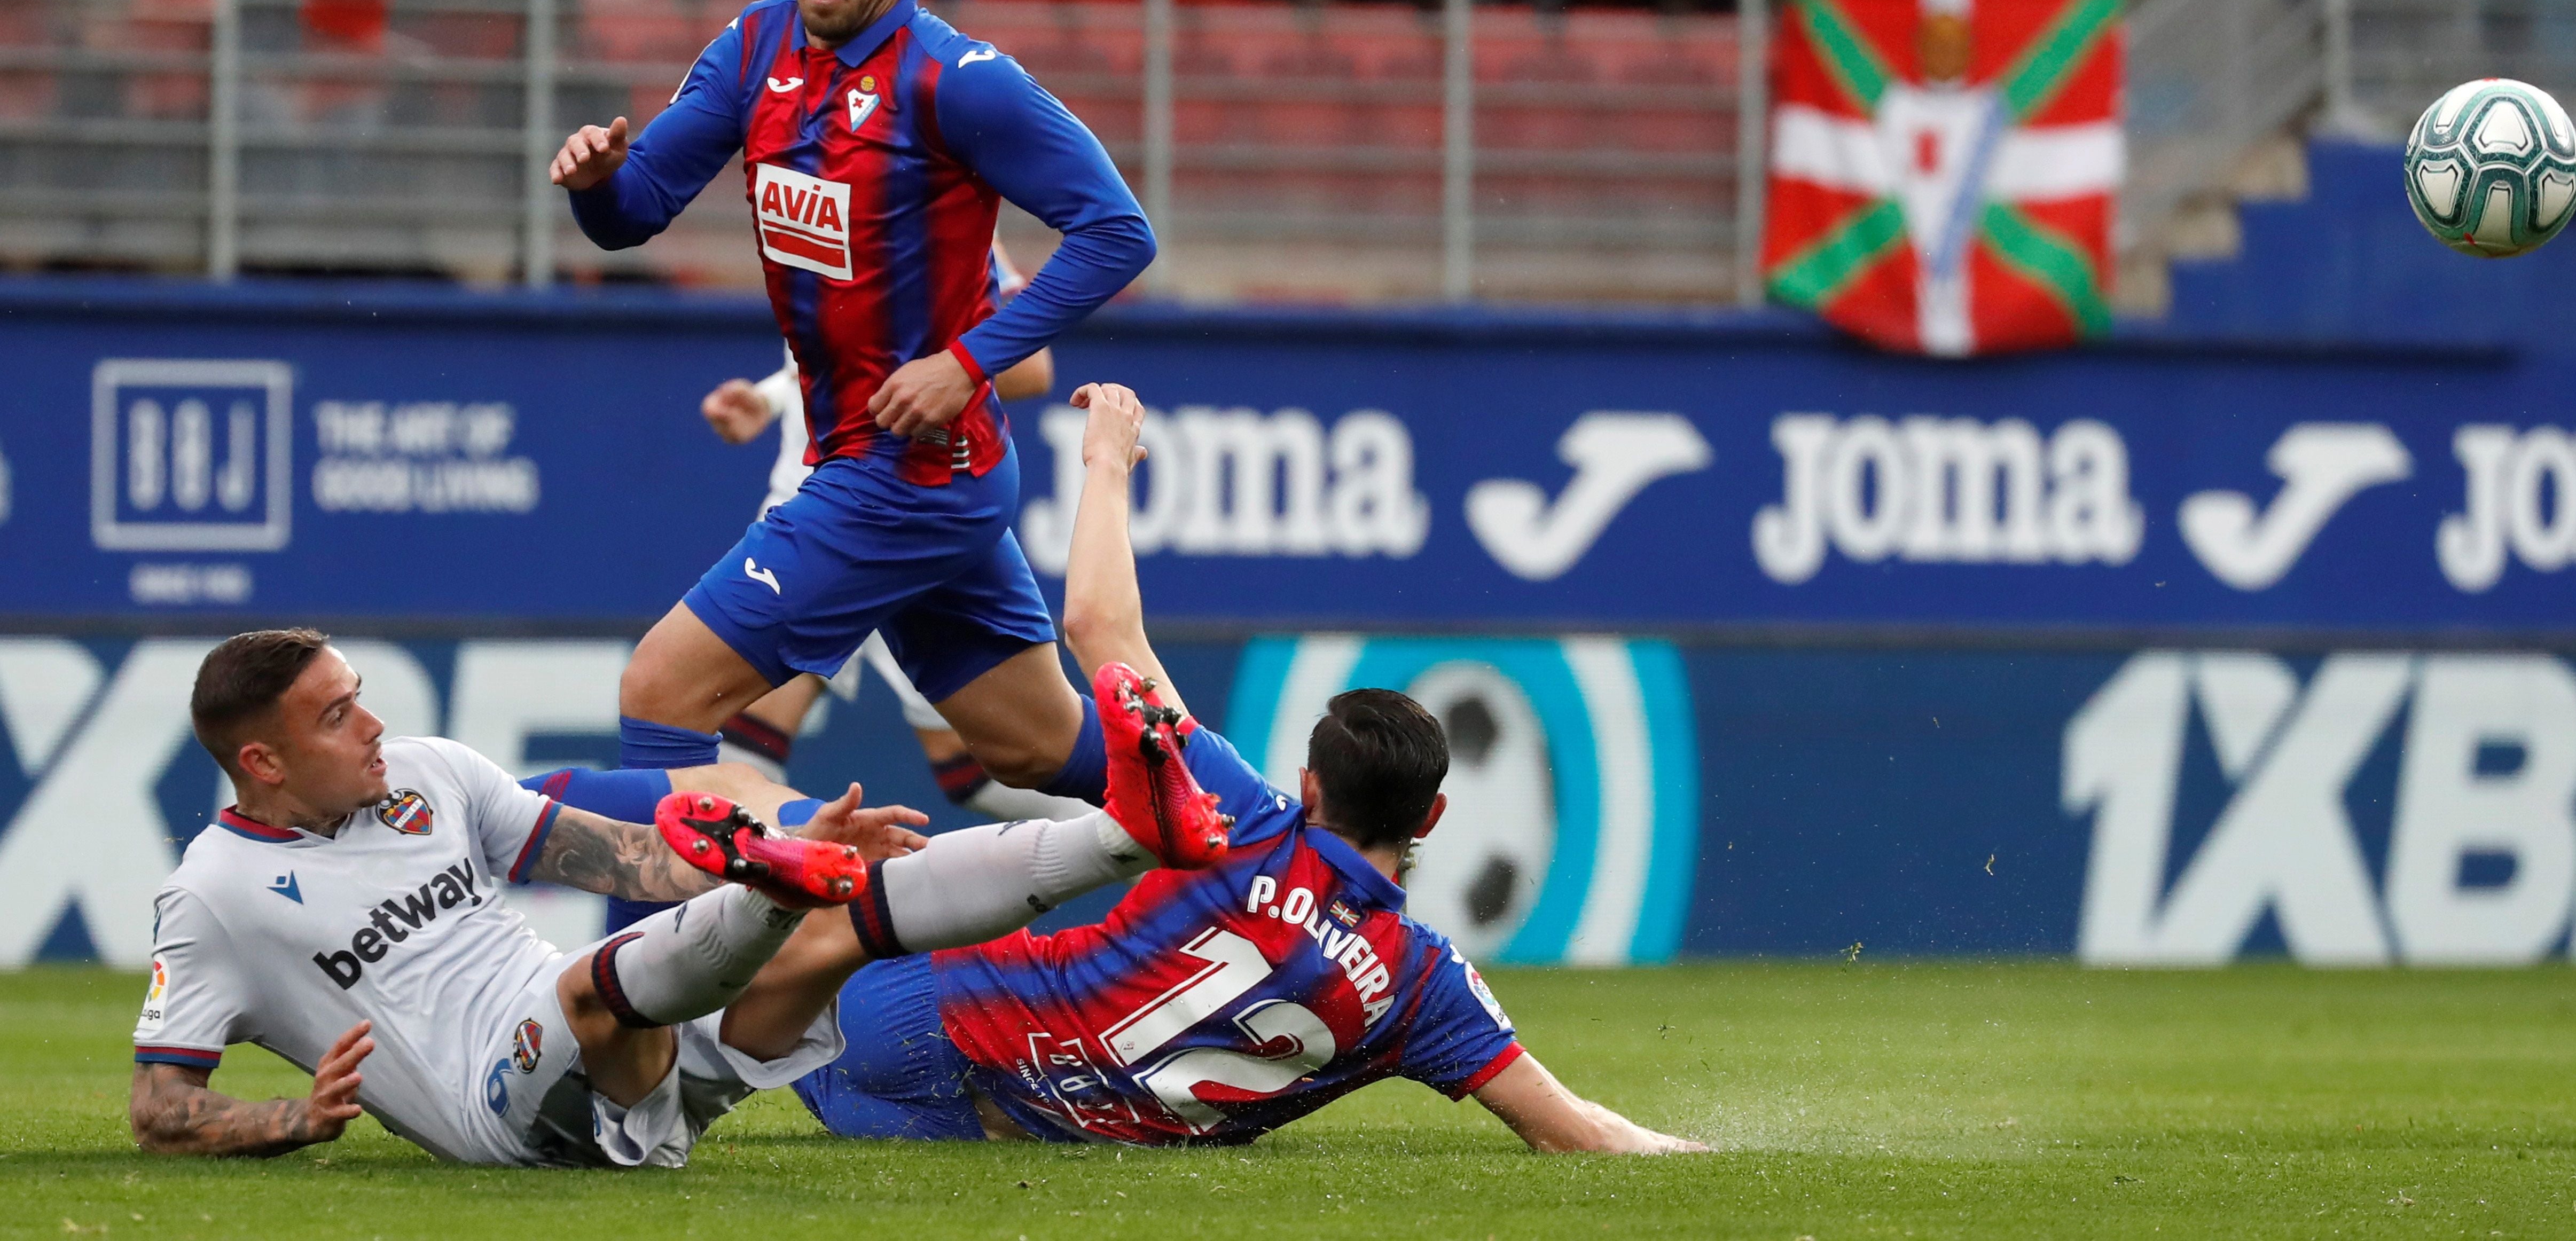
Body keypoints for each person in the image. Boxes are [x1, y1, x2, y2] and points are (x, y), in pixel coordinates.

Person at [545, 384, 1709, 1151]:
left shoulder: (1242, 816)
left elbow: (1102, 630)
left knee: (784, 847)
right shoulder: (1421, 984)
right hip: (1013, 1136)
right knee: (810, 864)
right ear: (1435, 813)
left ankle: (539, 823)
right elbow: (1575, 1131)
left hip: (921, 1027)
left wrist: (1106, 463)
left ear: (1310, 786)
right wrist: (1710, 1154)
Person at [545, 0, 1158, 830]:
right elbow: (638, 208)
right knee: (1034, 746)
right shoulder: (757, 46)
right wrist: (596, 186)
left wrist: (967, 361)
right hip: (887, 466)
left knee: (661, 692)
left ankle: (662, 986)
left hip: (907, 475)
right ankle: (1247, 830)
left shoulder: (958, 81)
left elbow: (1117, 232)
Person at [127, 626, 1230, 1165]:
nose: (373, 724)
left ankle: (1128, 833)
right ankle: (768, 898)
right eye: (336, 716)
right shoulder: (215, 894)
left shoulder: (429, 772)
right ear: (262, 763)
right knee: (599, 986)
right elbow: (160, 1107)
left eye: (360, 697)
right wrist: (288, 1118)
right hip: (492, 1103)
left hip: (603, 1033)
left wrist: (769, 847)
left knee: (845, 917)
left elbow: (628, 863)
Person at [692, 240, 1084, 824]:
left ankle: (1169, 851)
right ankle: (786, 897)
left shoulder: (937, 198)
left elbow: (1031, 367)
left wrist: (925, 381)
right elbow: (839, 341)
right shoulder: (796, 185)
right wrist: (772, 399)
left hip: (891, 512)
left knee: (983, 762)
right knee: (729, 735)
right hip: (814, 506)